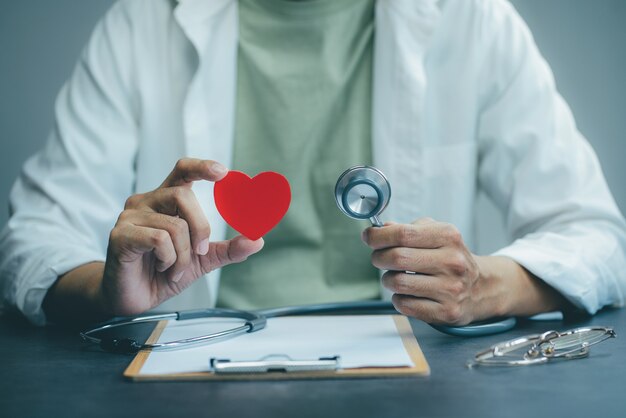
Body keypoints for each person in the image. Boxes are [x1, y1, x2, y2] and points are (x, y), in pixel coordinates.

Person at [1, 0, 625, 327]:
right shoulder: (141, 25)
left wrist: (483, 286)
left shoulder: (473, 21)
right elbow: (31, 241)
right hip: (200, 361)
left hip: (411, 376)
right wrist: (110, 294)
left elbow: (601, 240)